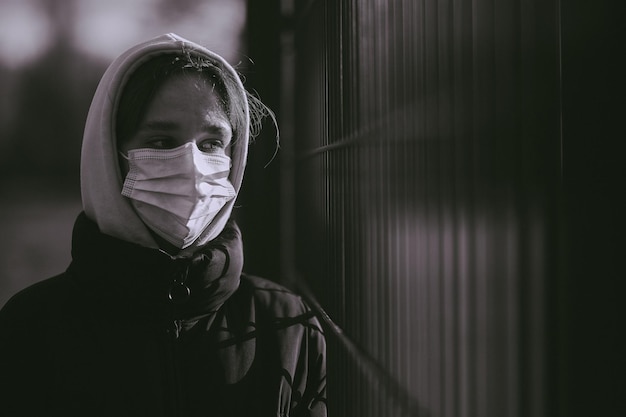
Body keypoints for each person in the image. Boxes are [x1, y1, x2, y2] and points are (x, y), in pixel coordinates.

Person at [0, 33, 326, 417]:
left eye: (211, 143)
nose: (191, 164)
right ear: (109, 155)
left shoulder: (288, 325)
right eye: (162, 140)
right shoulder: (30, 331)